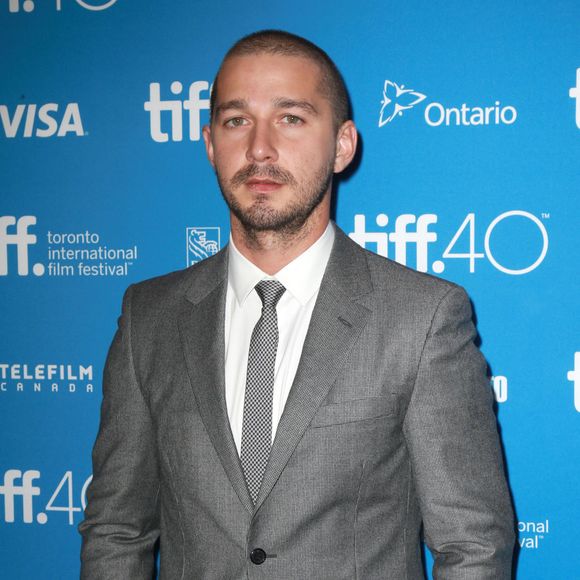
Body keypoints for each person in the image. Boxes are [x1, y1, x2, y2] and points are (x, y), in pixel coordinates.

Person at [79, 30, 515, 579]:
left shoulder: (423, 318)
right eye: (237, 120)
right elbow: (117, 530)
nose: (260, 147)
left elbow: (474, 546)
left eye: (291, 118)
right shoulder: (150, 317)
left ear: (342, 146)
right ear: (211, 143)